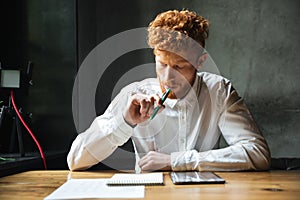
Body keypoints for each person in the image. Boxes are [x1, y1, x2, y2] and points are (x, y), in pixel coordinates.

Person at [67, 9, 271, 172]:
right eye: (162, 64)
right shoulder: (135, 94)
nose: (167, 78)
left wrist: (176, 161)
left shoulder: (219, 91)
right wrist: (125, 122)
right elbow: (75, 160)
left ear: (200, 62)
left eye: (179, 67)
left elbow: (258, 154)